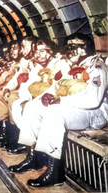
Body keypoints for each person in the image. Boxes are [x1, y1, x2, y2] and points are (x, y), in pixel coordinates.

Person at [8, 36, 107, 189]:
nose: (68, 52)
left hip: (95, 113)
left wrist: (61, 101)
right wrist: (48, 97)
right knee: (33, 107)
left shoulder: (97, 66)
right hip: (76, 108)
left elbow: (93, 100)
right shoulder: (75, 65)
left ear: (83, 49)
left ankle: (55, 173)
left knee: (55, 112)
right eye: (66, 48)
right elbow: (58, 87)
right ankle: (35, 158)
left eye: (72, 48)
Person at [0, 37, 36, 138]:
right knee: (0, 94)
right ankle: (4, 130)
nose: (22, 50)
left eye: (23, 47)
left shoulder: (29, 62)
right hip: (17, 88)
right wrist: (6, 88)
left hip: (29, 92)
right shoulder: (22, 61)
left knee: (9, 96)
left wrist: (3, 86)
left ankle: (13, 134)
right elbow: (12, 78)